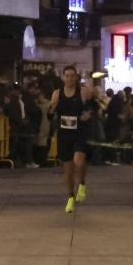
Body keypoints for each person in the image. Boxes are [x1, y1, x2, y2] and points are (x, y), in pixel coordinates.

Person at [50, 65, 91, 210]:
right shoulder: (56, 94)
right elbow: (50, 114)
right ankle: (70, 197)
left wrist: (89, 114)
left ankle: (82, 183)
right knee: (67, 171)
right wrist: (52, 108)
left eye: (72, 76)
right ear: (62, 77)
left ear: (76, 77)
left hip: (79, 132)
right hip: (64, 134)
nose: (69, 78)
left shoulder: (83, 92)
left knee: (78, 161)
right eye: (67, 76)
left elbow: (94, 106)